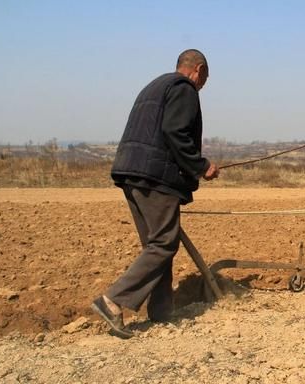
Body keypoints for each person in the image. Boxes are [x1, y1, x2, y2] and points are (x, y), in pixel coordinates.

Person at [91, 49, 219, 338]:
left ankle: (161, 312)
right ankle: (112, 302)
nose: (202, 86)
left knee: (156, 245)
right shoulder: (184, 89)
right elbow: (176, 132)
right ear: (197, 70)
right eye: (204, 80)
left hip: (131, 172)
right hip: (155, 178)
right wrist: (201, 166)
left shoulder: (154, 86)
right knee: (163, 244)